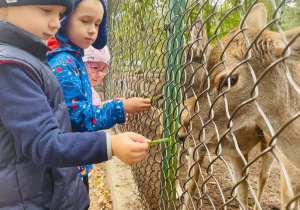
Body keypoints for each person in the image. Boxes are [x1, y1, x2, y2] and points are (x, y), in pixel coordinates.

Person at [0, 1, 150, 209]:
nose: (55, 24)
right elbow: (59, 131)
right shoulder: (13, 66)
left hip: (47, 183)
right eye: (46, 10)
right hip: (32, 195)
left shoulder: (33, 57)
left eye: (60, 14)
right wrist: (112, 141)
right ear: (5, 6)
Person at [47, 0, 151, 134]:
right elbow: (78, 118)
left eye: (97, 24)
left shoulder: (74, 58)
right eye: (85, 21)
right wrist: (121, 107)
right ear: (64, 19)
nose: (92, 30)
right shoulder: (64, 63)